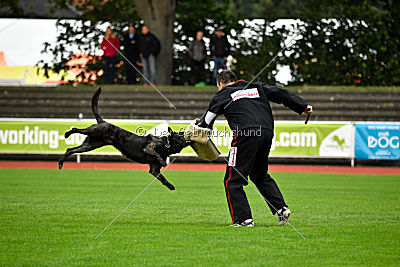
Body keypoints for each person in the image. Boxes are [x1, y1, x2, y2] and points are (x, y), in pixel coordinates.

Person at [196, 70, 313, 227]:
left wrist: (197, 129)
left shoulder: (223, 94)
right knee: (259, 175)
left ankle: (244, 219)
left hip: (245, 134)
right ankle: (281, 208)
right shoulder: (256, 87)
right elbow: (281, 94)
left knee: (233, 179)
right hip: (266, 132)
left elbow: (206, 122)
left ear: (220, 84)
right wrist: (303, 106)